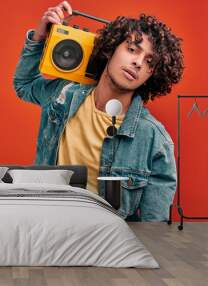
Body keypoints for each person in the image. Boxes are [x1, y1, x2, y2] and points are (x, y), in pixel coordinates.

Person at [13, 1, 184, 221]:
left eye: (149, 62)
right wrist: (39, 39)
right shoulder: (65, 94)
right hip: (46, 230)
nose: (138, 62)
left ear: (153, 75)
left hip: (106, 246)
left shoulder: (154, 141)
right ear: (111, 48)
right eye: (132, 49)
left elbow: (154, 230)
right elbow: (24, 85)